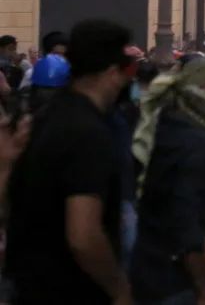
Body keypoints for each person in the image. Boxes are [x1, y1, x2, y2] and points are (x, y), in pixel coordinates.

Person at [6, 19, 135, 305]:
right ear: (112, 72)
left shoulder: (42, 118)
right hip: (73, 290)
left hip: (29, 287)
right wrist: (119, 289)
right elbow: (83, 235)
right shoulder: (90, 133)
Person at [130, 56, 205, 305]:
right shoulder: (196, 144)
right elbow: (187, 225)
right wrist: (203, 288)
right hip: (172, 279)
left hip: (146, 267)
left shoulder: (166, 124)